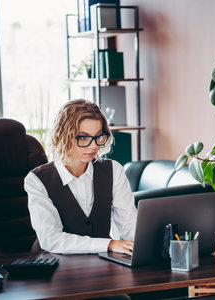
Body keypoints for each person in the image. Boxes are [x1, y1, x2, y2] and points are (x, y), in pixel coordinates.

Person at [24, 99, 137, 255]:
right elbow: (51, 239)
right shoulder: (37, 180)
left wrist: (159, 239)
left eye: (99, 136)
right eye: (83, 137)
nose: (93, 146)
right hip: (52, 264)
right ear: (63, 136)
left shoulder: (113, 170)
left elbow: (129, 226)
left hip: (102, 261)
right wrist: (108, 244)